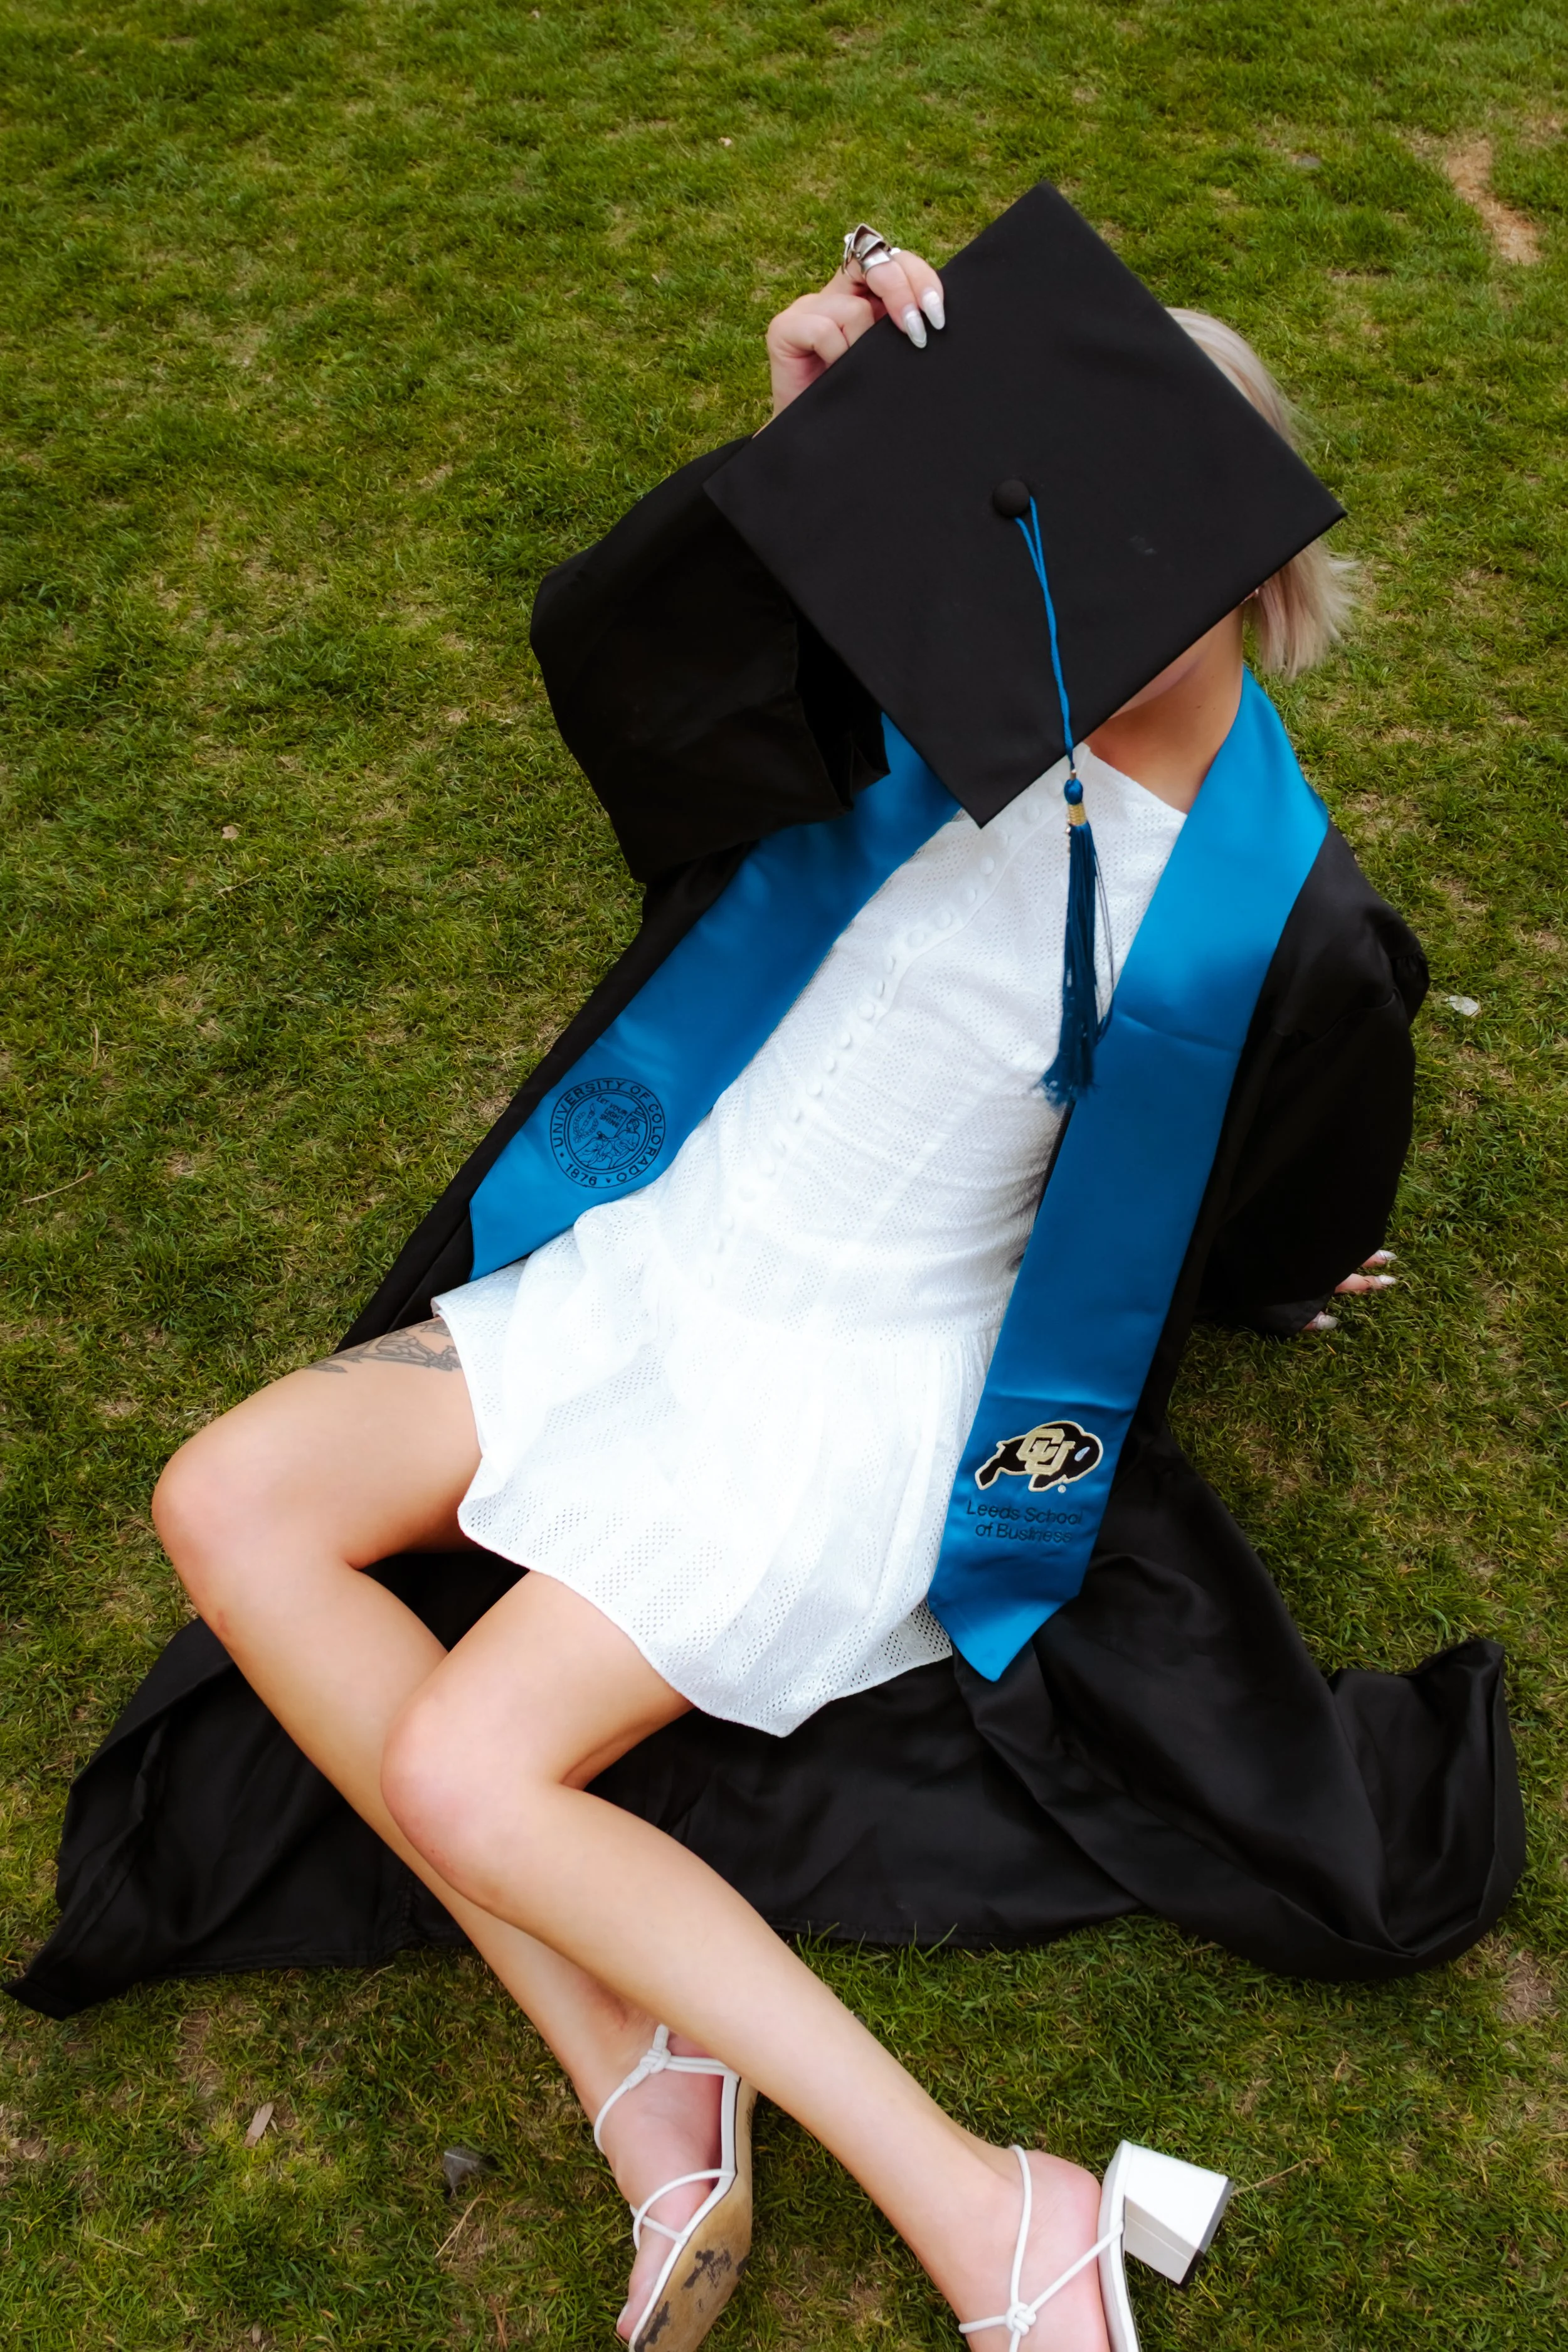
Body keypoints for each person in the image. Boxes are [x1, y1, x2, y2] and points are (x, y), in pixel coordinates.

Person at [14, 193, 1521, 2352]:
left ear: (1225, 557)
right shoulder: (943, 678)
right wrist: (803, 439)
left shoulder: (1280, 920)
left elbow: (1295, 1156)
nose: (1058, 592)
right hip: (665, 1255)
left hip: (849, 1368)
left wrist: (1287, 1281)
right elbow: (655, 691)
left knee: (461, 1765)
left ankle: (994, 2207)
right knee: (224, 1492)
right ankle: (647, 2068)